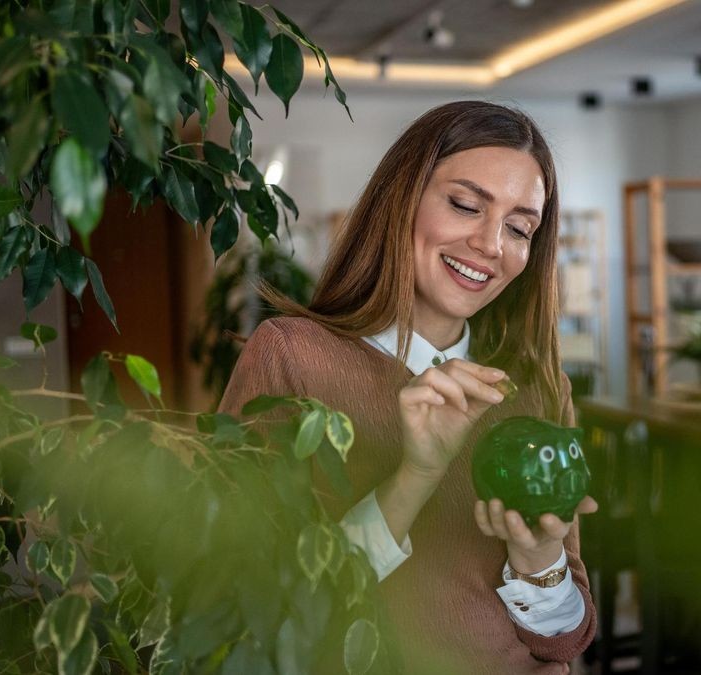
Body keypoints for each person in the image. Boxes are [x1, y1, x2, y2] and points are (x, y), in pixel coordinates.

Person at [218, 101, 597, 674]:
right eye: (466, 205)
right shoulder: (291, 356)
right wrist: (415, 475)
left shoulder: (537, 387)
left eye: (520, 228)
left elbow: (564, 642)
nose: (492, 244)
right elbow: (259, 601)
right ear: (403, 199)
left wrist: (539, 559)